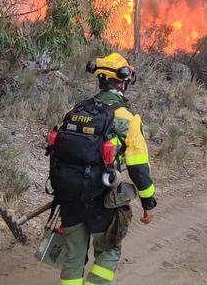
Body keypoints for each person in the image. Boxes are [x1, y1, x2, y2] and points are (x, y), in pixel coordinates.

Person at [46, 52, 156, 285]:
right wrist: (149, 202)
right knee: (108, 252)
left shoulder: (76, 110)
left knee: (73, 256)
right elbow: (138, 167)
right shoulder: (127, 117)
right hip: (102, 198)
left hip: (69, 195)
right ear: (123, 81)